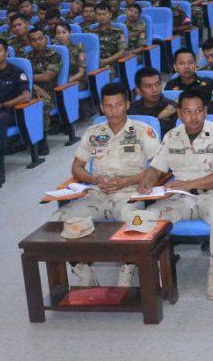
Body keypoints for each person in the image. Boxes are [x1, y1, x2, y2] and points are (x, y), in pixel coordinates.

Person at [54, 82, 160, 287]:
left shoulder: (142, 131)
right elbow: (77, 168)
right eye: (108, 106)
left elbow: (159, 168)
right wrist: (94, 179)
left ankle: (127, 269)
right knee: (58, 220)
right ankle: (82, 269)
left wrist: (127, 181)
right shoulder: (93, 132)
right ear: (102, 107)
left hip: (129, 193)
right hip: (98, 193)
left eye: (118, 105)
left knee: (137, 222)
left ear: (127, 104)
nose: (114, 111)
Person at [148, 89, 213, 300]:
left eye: (198, 111)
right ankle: (158, 272)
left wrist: (190, 184)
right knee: (146, 217)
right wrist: (147, 181)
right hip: (180, 198)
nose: (194, 117)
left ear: (205, 111)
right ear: (179, 113)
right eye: (187, 112)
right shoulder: (172, 136)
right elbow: (156, 168)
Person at [0, 38, 31, 159]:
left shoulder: (17, 72)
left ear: (7, 52)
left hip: (11, 111)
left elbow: (25, 96)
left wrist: (2, 105)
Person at [129, 67, 179, 135]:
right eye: (148, 86)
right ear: (138, 91)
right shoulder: (130, 110)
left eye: (158, 84)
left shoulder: (174, 109)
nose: (155, 89)